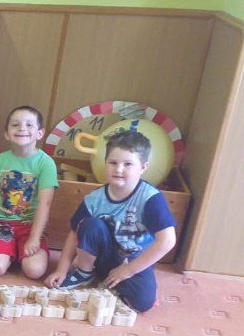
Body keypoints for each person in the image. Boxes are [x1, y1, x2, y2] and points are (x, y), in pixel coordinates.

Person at [45, 129, 176, 312]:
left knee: (142, 303)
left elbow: (167, 241)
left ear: (143, 167)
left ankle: (111, 277)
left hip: (133, 260)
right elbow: (74, 233)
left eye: (128, 164)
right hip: (103, 255)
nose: (119, 169)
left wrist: (129, 270)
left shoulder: (151, 198)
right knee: (89, 224)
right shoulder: (94, 198)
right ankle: (85, 272)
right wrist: (62, 269)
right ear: (105, 163)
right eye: (113, 162)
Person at [0, 106, 58, 279]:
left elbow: (45, 203)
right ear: (6, 134)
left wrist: (35, 238)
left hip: (30, 225)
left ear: (40, 133)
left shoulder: (46, 163)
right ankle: (9, 250)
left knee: (34, 270)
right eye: (15, 125)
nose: (22, 128)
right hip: (1, 223)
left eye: (29, 125)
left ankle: (18, 250)